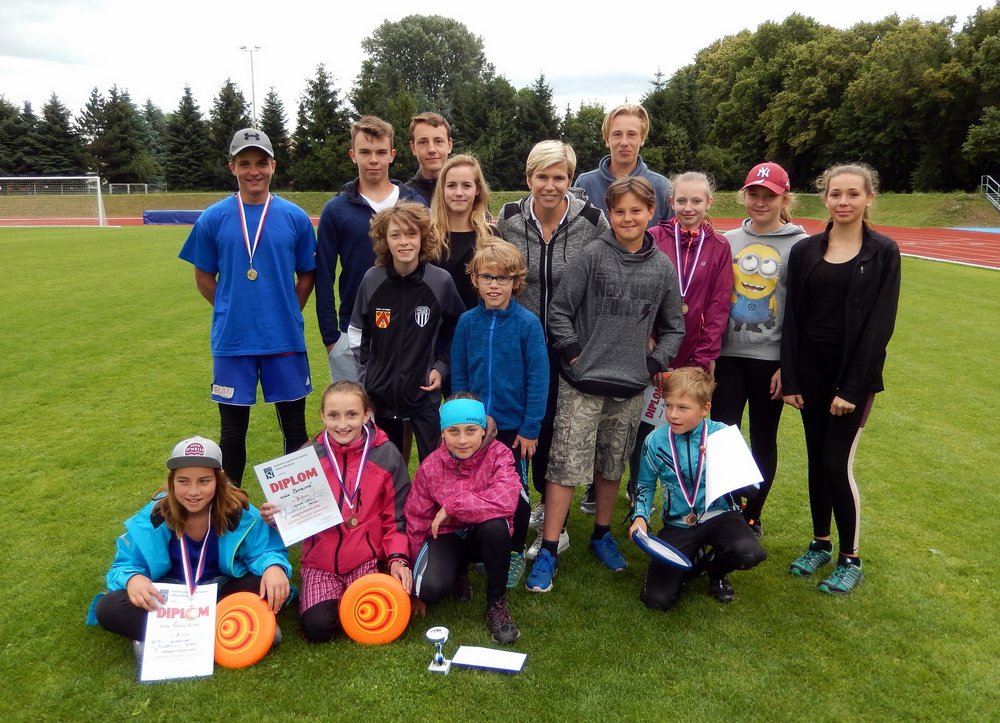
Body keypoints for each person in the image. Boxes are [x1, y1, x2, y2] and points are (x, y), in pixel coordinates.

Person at [524, 176, 684, 593]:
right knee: (564, 466)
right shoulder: (592, 255)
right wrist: (574, 353)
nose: (628, 218)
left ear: (651, 212)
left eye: (636, 210)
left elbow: (674, 327)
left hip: (629, 388)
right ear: (609, 213)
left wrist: (653, 363)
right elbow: (560, 311)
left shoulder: (662, 267)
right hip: (582, 384)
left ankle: (601, 535)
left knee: (611, 466)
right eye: (619, 211)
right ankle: (549, 547)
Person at [782, 163, 900, 596]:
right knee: (817, 461)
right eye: (836, 194)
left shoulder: (883, 252)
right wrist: (792, 379)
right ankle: (820, 542)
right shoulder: (805, 251)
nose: (844, 201)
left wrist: (851, 388)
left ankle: (851, 558)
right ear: (825, 198)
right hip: (810, 372)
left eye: (853, 194)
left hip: (853, 377)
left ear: (869, 198)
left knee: (836, 463)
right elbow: (793, 319)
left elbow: (879, 325)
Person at [178, 128, 316, 486]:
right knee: (232, 433)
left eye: (260, 163)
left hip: (283, 339)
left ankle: (299, 510)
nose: (254, 171)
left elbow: (308, 273)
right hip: (234, 341)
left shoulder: (295, 217)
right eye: (245, 163)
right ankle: (230, 509)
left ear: (273, 165)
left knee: (294, 429)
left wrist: (289, 309)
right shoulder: (213, 217)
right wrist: (230, 308)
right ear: (232, 167)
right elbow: (203, 276)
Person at [495, 140, 610, 558]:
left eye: (558, 177)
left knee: (561, 429)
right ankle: (523, 500)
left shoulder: (592, 220)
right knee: (528, 424)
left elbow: (607, 274)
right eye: (541, 176)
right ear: (528, 178)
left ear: (570, 180)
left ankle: (551, 510)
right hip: (520, 344)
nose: (549, 185)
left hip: (570, 345)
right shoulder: (509, 217)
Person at [88, 436, 291, 652]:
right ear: (172, 481)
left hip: (220, 590)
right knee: (108, 607)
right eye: (183, 481)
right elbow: (124, 566)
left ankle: (163, 637)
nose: (193, 491)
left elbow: (265, 550)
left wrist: (273, 567)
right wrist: (133, 579)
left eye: (204, 481)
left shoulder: (237, 511)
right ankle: (238, 630)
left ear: (219, 479)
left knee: (265, 584)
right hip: (167, 597)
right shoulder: (155, 515)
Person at [261, 381, 411, 642]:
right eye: (333, 415)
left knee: (377, 616)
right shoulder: (307, 456)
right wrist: (277, 517)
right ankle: (335, 597)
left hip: (367, 559)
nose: (342, 424)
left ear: (366, 414)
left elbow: (397, 517)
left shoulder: (386, 455)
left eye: (352, 414)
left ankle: (353, 595)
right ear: (322, 415)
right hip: (320, 562)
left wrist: (398, 558)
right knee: (317, 628)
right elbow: (294, 510)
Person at [624, 170, 732, 511]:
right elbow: (638, 293)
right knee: (644, 428)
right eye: (682, 200)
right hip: (653, 352)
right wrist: (650, 345)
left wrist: (702, 360)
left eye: (696, 201)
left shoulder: (719, 246)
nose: (689, 207)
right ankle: (638, 496)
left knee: (687, 424)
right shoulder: (654, 236)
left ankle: (689, 501)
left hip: (693, 356)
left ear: (709, 202)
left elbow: (719, 305)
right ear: (670, 201)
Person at [712, 162, 809, 538]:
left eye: (770, 195)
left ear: (785, 199)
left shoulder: (800, 245)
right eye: (754, 194)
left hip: (770, 360)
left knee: (763, 439)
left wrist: (789, 365)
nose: (760, 201)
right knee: (723, 436)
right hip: (728, 356)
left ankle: (752, 515)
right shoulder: (729, 240)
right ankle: (725, 510)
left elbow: (801, 310)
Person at [451, 240, 549, 588]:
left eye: (503, 278)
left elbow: (538, 378)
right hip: (474, 429)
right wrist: (462, 420)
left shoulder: (527, 325)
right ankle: (477, 550)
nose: (494, 285)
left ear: (516, 282)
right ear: (475, 279)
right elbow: (459, 373)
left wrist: (530, 428)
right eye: (487, 277)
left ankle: (514, 552)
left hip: (513, 431)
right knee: (473, 487)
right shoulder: (467, 323)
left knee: (515, 496)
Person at [628, 368, 767, 609]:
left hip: (720, 516)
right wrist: (640, 516)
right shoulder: (655, 440)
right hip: (678, 523)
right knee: (657, 600)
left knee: (748, 552)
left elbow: (753, 489)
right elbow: (645, 484)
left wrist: (722, 463)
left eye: (683, 408)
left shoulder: (722, 434)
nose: (673, 414)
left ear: (705, 408)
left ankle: (715, 571)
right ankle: (694, 558)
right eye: (668, 405)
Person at [348, 203, 464, 462]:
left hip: (424, 393)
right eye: (395, 235)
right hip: (381, 395)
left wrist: (441, 366)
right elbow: (357, 331)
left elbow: (457, 329)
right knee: (387, 467)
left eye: (411, 234)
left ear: (423, 237)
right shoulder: (372, 279)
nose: (404, 242)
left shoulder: (440, 281)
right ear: (384, 240)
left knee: (433, 465)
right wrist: (369, 375)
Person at [315, 116, 426, 384]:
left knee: (402, 408)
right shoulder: (336, 209)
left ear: (392, 155)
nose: (373, 160)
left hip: (408, 330)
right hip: (354, 332)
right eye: (365, 152)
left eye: (380, 152)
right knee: (353, 408)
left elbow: (429, 265)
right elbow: (323, 275)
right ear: (353, 155)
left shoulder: (415, 204)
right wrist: (331, 338)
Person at [405, 395, 523, 644]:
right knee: (430, 589)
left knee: (496, 526)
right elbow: (416, 521)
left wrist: (453, 507)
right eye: (453, 431)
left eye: (471, 430)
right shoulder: (430, 467)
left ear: (483, 430)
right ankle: (457, 572)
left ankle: (496, 603)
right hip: (447, 537)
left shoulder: (500, 454)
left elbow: (505, 499)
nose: (462, 440)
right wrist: (415, 588)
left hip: (484, 537)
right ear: (443, 433)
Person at [574, 103, 672, 225]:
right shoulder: (585, 184)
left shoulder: (662, 187)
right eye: (617, 134)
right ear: (607, 139)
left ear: (642, 139)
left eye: (631, 134)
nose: (624, 142)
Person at [430, 154, 500, 310]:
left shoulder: (491, 236)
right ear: (442, 189)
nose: (459, 192)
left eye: (466, 186)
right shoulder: (428, 235)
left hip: (478, 322)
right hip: (435, 323)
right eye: (451, 185)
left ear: (477, 190)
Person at [404, 112, 453, 204]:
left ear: (449, 145)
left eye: (438, 141)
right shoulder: (405, 197)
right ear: (413, 148)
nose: (431, 150)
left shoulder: (467, 192)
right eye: (423, 142)